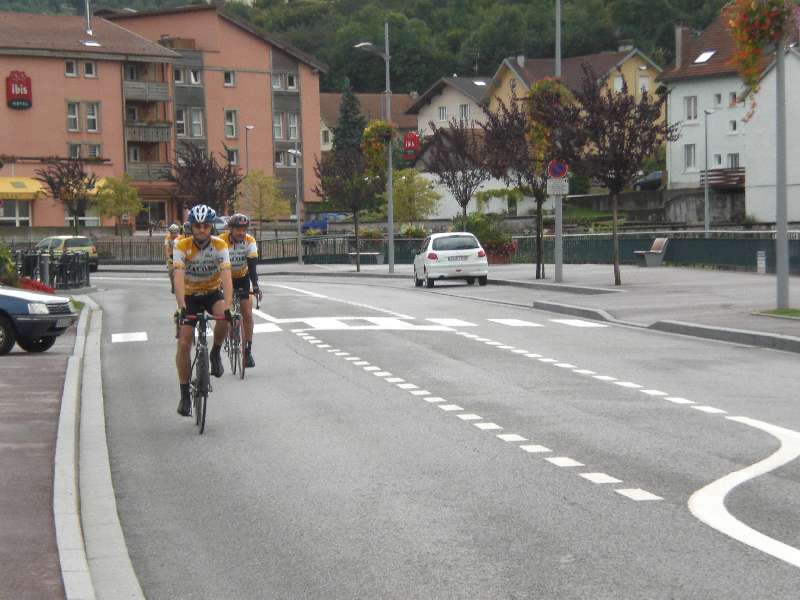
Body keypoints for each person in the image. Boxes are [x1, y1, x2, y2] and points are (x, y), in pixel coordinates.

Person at [173, 204, 233, 417]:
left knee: (224, 317)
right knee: (183, 342)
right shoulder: (181, 245)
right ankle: (184, 394)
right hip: (190, 296)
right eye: (197, 226)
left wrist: (228, 305)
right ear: (191, 226)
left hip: (211, 293)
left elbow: (226, 276)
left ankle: (215, 353)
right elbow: (178, 276)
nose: (201, 230)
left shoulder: (219, 245)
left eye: (206, 226)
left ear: (211, 227)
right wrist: (181, 307)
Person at [218, 213, 262, 368]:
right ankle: (229, 333)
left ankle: (248, 350)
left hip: (242, 277)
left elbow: (252, 266)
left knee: (247, 314)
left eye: (244, 229)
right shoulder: (221, 241)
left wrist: (255, 286)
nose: (241, 232)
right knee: (226, 312)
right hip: (225, 278)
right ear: (231, 229)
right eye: (238, 229)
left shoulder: (250, 241)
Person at [164, 223, 181, 293]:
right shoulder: (167, 238)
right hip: (171, 255)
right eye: (172, 233)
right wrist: (168, 258)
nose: (174, 234)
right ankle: (173, 284)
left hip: (179, 255)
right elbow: (166, 248)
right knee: (171, 272)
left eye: (175, 232)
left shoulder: (180, 237)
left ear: (177, 232)